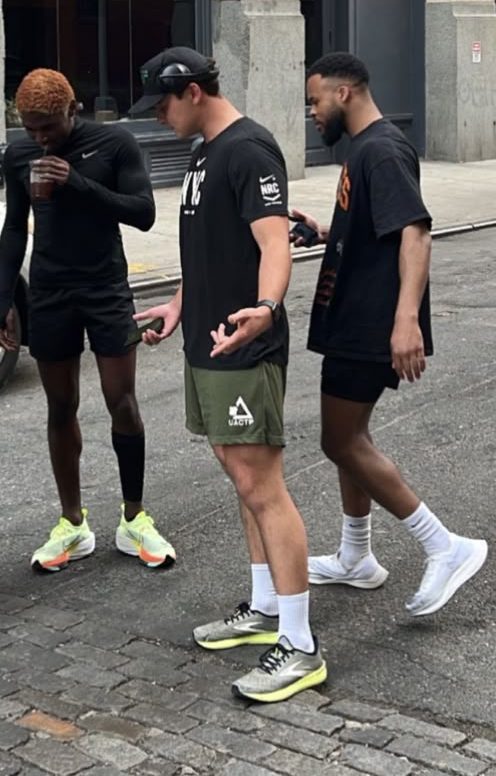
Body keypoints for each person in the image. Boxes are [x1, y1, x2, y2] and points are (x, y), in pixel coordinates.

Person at [132, 47, 327, 704]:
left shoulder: (249, 150)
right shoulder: (202, 152)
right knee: (239, 474)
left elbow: (275, 244)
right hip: (207, 341)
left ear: (191, 90)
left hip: (246, 345)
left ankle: (300, 644)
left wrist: (266, 309)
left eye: (162, 105)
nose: (159, 118)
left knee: (261, 481)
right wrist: (179, 305)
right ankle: (267, 603)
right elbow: (208, 249)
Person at [294, 51, 487, 615]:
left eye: (315, 100)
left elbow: (416, 233)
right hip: (353, 315)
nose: (312, 111)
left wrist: (406, 322)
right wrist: (330, 230)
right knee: (351, 439)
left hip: (371, 322)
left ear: (344, 93)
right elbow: (379, 227)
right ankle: (356, 557)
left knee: (341, 441)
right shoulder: (366, 149)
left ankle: (444, 546)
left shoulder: (380, 148)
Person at [0, 68, 175, 572]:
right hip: (51, 290)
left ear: (72, 110)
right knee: (60, 405)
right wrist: (4, 297)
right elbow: (13, 227)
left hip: (105, 286)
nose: (39, 137)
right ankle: (72, 524)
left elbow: (142, 212)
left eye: (48, 126)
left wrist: (74, 182)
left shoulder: (113, 144)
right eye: (30, 128)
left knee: (121, 400)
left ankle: (134, 518)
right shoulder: (19, 155)